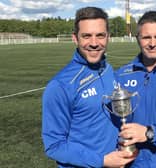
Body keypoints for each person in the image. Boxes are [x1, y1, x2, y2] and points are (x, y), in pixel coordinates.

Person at [42, 6, 135, 168]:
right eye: (86, 36)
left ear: (108, 37)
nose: (94, 43)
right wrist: (102, 161)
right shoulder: (60, 85)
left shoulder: (108, 70)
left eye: (100, 35)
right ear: (75, 38)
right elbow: (54, 146)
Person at [115, 11, 156, 167]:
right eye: (146, 37)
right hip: (132, 163)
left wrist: (149, 133)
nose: (152, 43)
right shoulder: (121, 75)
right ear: (138, 39)